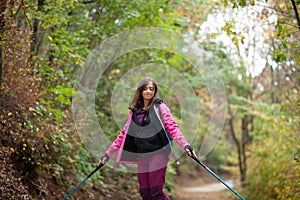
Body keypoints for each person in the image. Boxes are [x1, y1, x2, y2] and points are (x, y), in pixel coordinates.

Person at [98, 77, 196, 200]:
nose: (148, 91)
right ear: (140, 91)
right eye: (145, 89)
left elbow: (173, 128)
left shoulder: (160, 108)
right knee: (145, 194)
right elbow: (123, 134)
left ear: (155, 91)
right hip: (142, 155)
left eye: (151, 89)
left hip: (158, 154)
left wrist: (185, 145)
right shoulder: (134, 111)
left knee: (156, 193)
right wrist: (107, 154)